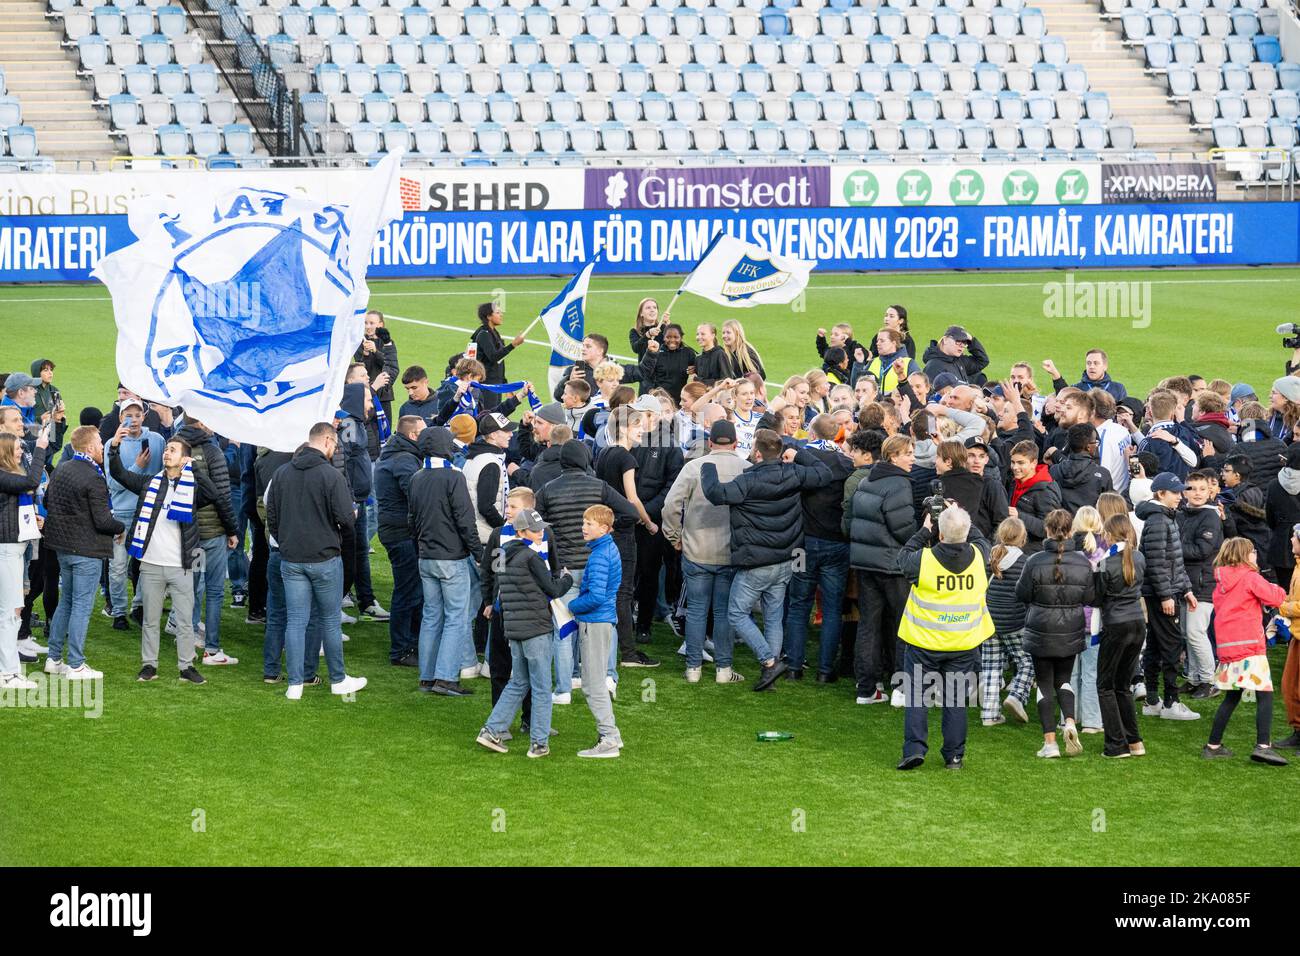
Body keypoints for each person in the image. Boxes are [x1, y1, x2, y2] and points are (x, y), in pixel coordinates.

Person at [700, 428, 833, 691]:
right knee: (773, 617)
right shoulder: (793, 474)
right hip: (786, 560)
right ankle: (768, 676)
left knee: (736, 613)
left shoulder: (747, 482)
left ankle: (769, 662)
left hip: (756, 563)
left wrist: (708, 465)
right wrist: (800, 454)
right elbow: (824, 473)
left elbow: (715, 493)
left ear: (757, 453)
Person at [107, 432, 223, 685]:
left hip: (182, 564)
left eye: (172, 450)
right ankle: (149, 664)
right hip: (150, 564)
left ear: (184, 459)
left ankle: (186, 666)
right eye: (167, 449)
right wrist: (114, 448)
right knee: (150, 619)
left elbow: (213, 494)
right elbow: (120, 474)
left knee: (184, 621)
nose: (167, 453)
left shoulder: (193, 488)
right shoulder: (150, 482)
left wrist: (194, 471)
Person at [265, 422, 367, 701]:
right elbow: (347, 520)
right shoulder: (331, 476)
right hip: (324, 558)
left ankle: (295, 684)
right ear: (327, 441)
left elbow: (271, 517)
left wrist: (285, 541)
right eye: (334, 445)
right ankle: (338, 680)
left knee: (295, 622)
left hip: (292, 558)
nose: (334, 450)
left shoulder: (282, 473)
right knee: (329, 620)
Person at [535, 441, 640, 697]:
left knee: (564, 628)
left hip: (566, 569)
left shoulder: (548, 490)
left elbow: (534, 525)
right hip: (596, 564)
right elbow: (631, 513)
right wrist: (608, 531)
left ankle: (565, 686)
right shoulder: (599, 486)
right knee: (605, 621)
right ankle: (606, 677)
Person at [896, 504, 992, 771]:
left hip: (924, 641)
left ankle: (914, 749)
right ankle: (954, 756)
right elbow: (982, 539)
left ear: (938, 534)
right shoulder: (978, 555)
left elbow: (902, 558)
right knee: (956, 701)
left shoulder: (922, 560)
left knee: (917, 698)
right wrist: (959, 516)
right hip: (963, 641)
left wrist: (923, 530)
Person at [475, 508, 572, 758]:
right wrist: (568, 579)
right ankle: (539, 743)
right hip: (536, 630)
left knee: (518, 682)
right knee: (541, 687)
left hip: (513, 630)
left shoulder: (504, 555)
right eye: (535, 529)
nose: (541, 533)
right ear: (521, 531)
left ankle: (492, 729)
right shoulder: (532, 558)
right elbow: (553, 588)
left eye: (541, 528)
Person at [662, 419, 749, 683]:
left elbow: (670, 505)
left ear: (710, 443)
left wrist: (674, 536)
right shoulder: (746, 469)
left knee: (697, 610)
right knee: (723, 611)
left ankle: (693, 668)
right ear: (735, 443)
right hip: (730, 552)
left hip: (696, 549)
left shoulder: (694, 467)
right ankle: (723, 669)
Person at [42, 425, 125, 680]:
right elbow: (102, 521)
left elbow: (47, 503)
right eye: (100, 442)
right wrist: (121, 526)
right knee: (81, 605)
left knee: (66, 602)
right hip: (86, 550)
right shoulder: (93, 476)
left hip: (63, 548)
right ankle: (76, 664)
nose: (102, 446)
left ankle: (54, 658)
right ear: (89, 447)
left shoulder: (63, 468)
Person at [409, 425, 484, 697]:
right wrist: (478, 554)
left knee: (431, 616)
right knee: (456, 617)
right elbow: (466, 521)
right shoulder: (454, 477)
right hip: (451, 558)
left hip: (426, 557)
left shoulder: (417, 477)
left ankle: (428, 676)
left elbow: (411, 521)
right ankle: (446, 678)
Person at [1017, 509, 1097, 758]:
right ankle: (1070, 722)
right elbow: (1090, 597)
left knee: (1044, 684)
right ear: (1070, 530)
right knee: (1064, 679)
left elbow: (1022, 594)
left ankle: (1050, 742)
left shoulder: (1035, 560)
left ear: (1047, 530)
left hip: (1041, 628)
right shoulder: (1083, 562)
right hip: (1071, 628)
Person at [1201, 538, 1290, 764]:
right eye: (1252, 552)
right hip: (1250, 645)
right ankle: (1263, 745)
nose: (1256, 555)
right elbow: (1276, 597)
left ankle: (1213, 744)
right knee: (1265, 695)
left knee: (1232, 696)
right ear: (1244, 555)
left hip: (1228, 647)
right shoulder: (1250, 578)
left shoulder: (1221, 582)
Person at [847, 434, 918, 705]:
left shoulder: (867, 480)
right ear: (893, 457)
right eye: (908, 453)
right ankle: (901, 688)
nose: (912, 457)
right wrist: (923, 530)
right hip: (892, 566)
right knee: (903, 625)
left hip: (866, 564)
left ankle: (866, 688)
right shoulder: (899, 484)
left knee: (869, 625)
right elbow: (903, 530)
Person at [783, 414, 853, 681]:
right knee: (833, 607)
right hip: (836, 546)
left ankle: (794, 667)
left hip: (802, 545)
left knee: (799, 603)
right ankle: (825, 670)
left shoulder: (798, 456)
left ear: (812, 434)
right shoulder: (846, 463)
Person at [594, 406, 661, 668]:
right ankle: (629, 653)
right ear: (623, 429)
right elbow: (632, 499)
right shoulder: (626, 458)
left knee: (610, 591)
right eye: (636, 425)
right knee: (623, 593)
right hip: (622, 531)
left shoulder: (604, 454)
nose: (642, 429)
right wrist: (649, 522)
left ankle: (610, 648)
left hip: (606, 529)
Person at [174, 415, 239, 666]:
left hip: (187, 532)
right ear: (201, 422)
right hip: (212, 535)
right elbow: (222, 496)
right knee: (213, 591)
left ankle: (187, 642)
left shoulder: (174, 447)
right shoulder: (212, 451)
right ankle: (211, 650)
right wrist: (232, 530)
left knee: (190, 589)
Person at [1137, 472, 1200, 721]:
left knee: (1154, 644)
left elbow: (1174, 561)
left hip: (1167, 591)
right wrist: (1166, 595)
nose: (1180, 496)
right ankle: (1171, 702)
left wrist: (1186, 589)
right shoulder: (1159, 521)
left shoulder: (1165, 518)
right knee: (1172, 645)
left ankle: (1153, 700)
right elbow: (1156, 563)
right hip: (1161, 594)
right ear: (1161, 494)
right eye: (1175, 492)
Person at [567, 504, 624, 757]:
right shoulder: (606, 549)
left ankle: (609, 738)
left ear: (604, 528)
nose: (583, 527)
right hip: (601, 621)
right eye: (583, 522)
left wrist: (570, 606)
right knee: (595, 681)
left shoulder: (600, 554)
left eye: (589, 523)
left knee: (592, 684)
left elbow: (597, 596)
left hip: (595, 622)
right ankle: (612, 736)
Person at [103, 398, 165, 628]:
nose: (134, 420)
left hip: (148, 512)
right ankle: (119, 612)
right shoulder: (112, 445)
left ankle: (138, 606)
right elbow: (113, 484)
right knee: (118, 566)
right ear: (120, 418)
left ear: (144, 417)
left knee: (146, 564)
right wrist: (138, 466)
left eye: (138, 415)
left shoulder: (157, 440)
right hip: (120, 514)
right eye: (128, 415)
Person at [374, 414, 426, 667]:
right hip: (401, 533)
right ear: (413, 435)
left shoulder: (398, 455)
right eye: (423, 432)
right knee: (408, 591)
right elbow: (416, 496)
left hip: (396, 530)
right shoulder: (405, 460)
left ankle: (410, 644)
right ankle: (402, 649)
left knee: (411, 590)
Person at [1095, 513, 1148, 758]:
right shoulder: (1138, 557)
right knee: (1123, 685)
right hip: (1137, 622)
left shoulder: (1105, 562)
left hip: (1116, 624)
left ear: (1108, 534)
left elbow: (1095, 597)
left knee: (1106, 685)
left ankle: (1116, 744)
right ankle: (1134, 741)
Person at [0, 430, 46, 690]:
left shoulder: (9, 477)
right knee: (9, 613)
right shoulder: (4, 476)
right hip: (7, 550)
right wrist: (40, 447)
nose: (21, 452)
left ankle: (8, 670)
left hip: (13, 550)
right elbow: (32, 480)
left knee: (11, 611)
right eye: (17, 448)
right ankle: (8, 673)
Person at [983, 517, 1034, 726]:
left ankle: (989, 714)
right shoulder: (1025, 562)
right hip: (1015, 622)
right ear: (1023, 538)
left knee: (991, 667)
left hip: (989, 621)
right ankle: (1017, 694)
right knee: (1029, 662)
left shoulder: (990, 556)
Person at [1179, 470, 1225, 698]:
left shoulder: (1211, 516)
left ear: (1210, 491)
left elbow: (1202, 550)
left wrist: (1173, 549)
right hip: (1185, 582)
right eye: (1192, 488)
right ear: (1184, 491)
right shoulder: (1182, 514)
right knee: (1187, 634)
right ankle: (1194, 678)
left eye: (1201, 489)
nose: (1197, 493)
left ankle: (1209, 680)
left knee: (1196, 632)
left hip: (1204, 583)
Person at [1070, 506, 1108, 735]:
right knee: (1092, 672)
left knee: (1071, 673)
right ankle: (1092, 720)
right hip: (1093, 618)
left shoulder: (1066, 551)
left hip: (1070, 619)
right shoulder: (1104, 552)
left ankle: (1070, 717)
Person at [470, 300, 527, 410]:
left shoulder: (494, 333)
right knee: (489, 415)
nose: (501, 315)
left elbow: (500, 361)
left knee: (495, 414)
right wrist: (513, 345)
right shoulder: (483, 335)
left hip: (496, 382)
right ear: (489, 316)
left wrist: (505, 385)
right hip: (487, 383)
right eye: (497, 312)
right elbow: (494, 357)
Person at [1007, 440, 1061, 553]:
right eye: (1013, 462)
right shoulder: (1015, 482)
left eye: (1021, 463)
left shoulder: (1045, 490)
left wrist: (1019, 515)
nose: (1015, 467)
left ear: (1033, 463)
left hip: (1032, 554)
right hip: (1014, 548)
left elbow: (1049, 529)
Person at [1048, 423, 1114, 514]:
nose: (1096, 445)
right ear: (1088, 447)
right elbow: (1111, 508)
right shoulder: (1103, 475)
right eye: (1095, 441)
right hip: (1091, 526)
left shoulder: (1054, 470)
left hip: (1063, 526)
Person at [353, 309, 399, 422]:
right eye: (365, 323)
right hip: (367, 393)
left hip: (384, 395)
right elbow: (361, 370)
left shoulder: (387, 342)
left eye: (371, 323)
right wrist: (366, 354)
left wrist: (376, 351)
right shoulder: (359, 343)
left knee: (385, 427)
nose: (368, 326)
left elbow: (390, 364)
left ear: (380, 324)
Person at [641, 324, 697, 399]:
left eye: (676, 337)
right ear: (663, 337)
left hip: (680, 399)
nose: (672, 340)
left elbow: (699, 373)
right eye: (668, 337)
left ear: (681, 338)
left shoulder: (689, 353)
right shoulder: (656, 352)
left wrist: (695, 369)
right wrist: (651, 390)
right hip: (659, 398)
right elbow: (645, 375)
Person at [921, 325, 989, 385]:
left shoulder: (959, 360)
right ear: (945, 340)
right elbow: (930, 394)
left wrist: (971, 339)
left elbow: (982, 361)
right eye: (958, 341)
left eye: (964, 342)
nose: (962, 345)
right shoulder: (934, 366)